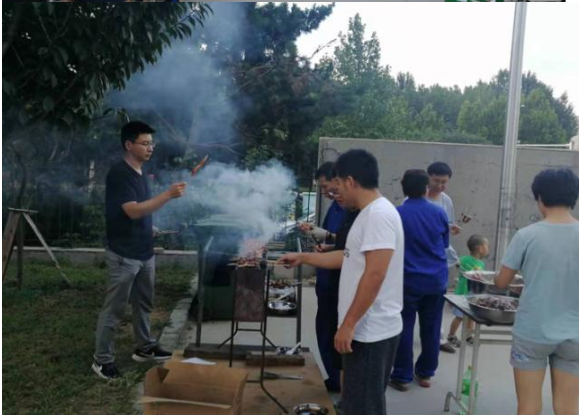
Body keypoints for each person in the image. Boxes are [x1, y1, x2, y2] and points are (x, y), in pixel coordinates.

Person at [280, 149, 404, 415]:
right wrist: (303, 257)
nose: (335, 194)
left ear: (350, 180)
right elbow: (347, 257)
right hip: (364, 328)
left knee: (364, 408)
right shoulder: (366, 214)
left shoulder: (378, 215)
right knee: (356, 403)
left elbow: (375, 274)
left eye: (337, 186)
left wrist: (348, 325)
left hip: (370, 331)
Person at [92, 121, 187, 380]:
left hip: (144, 251)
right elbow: (132, 210)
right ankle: (102, 360)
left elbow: (139, 210)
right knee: (114, 309)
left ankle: (144, 348)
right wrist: (167, 195)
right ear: (128, 145)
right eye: (145, 143)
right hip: (124, 254)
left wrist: (149, 227)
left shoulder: (140, 173)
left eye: (151, 143)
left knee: (143, 304)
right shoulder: (119, 174)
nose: (150, 148)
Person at [495, 168, 578, 415]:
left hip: (532, 333)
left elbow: (501, 282)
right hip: (575, 335)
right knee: (568, 408)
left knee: (528, 406)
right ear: (574, 197)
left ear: (540, 198)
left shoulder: (526, 235)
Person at [389, 169, 449, 391]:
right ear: (426, 188)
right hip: (435, 280)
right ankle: (425, 374)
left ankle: (402, 376)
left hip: (407, 280)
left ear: (403, 188)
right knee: (432, 328)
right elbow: (444, 244)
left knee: (404, 327)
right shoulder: (439, 212)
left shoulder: (396, 214)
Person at [300, 162, 346, 392]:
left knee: (335, 332)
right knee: (324, 330)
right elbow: (334, 241)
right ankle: (333, 377)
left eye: (325, 186)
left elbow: (350, 245)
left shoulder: (352, 209)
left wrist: (327, 236)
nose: (324, 192)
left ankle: (339, 380)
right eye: (321, 188)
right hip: (326, 281)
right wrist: (322, 241)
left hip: (339, 283)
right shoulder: (335, 207)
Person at [426, 161, 462, 354]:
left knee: (436, 302)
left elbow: (447, 225)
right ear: (428, 178)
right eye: (436, 181)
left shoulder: (446, 200)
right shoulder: (414, 197)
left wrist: (451, 229)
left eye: (444, 182)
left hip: (438, 258)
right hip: (417, 257)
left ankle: (437, 338)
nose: (440, 185)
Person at [447, 235, 489, 347]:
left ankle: (468, 336)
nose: (488, 249)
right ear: (480, 248)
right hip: (463, 293)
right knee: (459, 316)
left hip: (473, 293)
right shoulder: (465, 259)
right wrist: (458, 264)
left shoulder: (481, 263)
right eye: (487, 247)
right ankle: (451, 335)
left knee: (472, 317)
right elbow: (457, 263)